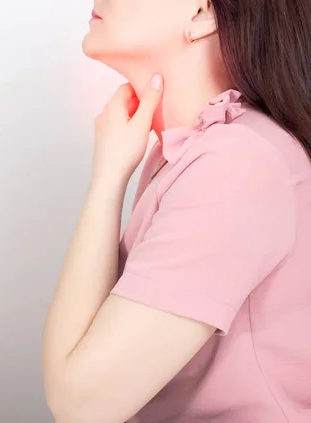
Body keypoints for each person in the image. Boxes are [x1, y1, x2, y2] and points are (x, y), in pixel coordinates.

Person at [41, 1, 311, 422]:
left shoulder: (238, 161)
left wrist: (105, 184)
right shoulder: (185, 154)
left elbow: (81, 406)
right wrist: (110, 177)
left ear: (202, 13)